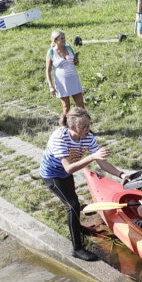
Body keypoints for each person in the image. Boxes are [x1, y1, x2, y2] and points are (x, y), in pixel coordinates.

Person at [39, 107, 129, 261]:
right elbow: (69, 167)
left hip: (66, 174)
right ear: (71, 127)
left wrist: (122, 174)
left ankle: (78, 228)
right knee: (72, 205)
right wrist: (92, 156)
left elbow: (102, 163)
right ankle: (77, 249)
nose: (88, 129)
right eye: (83, 127)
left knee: (72, 201)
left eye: (89, 125)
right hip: (52, 174)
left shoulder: (88, 137)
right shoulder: (59, 138)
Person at [45, 30, 84, 127]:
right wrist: (51, 86)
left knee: (80, 105)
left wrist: (76, 60)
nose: (64, 40)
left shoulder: (68, 47)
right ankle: (65, 128)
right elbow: (48, 70)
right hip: (62, 82)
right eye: (61, 38)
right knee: (66, 107)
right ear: (55, 40)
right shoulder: (51, 52)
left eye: (64, 37)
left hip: (73, 79)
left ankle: (83, 126)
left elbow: (75, 63)